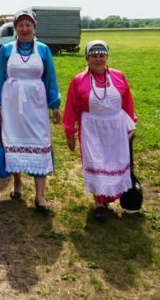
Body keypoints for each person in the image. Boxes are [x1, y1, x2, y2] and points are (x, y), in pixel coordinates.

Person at [0, 8, 61, 215]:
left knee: (40, 140)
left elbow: (50, 79)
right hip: (12, 104)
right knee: (14, 140)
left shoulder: (43, 50)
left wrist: (54, 104)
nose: (24, 28)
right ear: (15, 28)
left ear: (34, 27)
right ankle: (17, 184)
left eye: (28, 24)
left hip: (36, 105)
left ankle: (40, 196)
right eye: (20, 25)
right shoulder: (6, 50)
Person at [63, 40, 136, 221]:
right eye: (94, 55)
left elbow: (127, 102)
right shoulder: (79, 80)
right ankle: (99, 203)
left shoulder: (119, 76)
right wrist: (69, 131)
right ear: (87, 58)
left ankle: (110, 198)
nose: (98, 59)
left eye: (101, 55)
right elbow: (71, 107)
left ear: (107, 57)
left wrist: (131, 124)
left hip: (116, 129)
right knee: (97, 163)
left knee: (114, 163)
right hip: (91, 129)